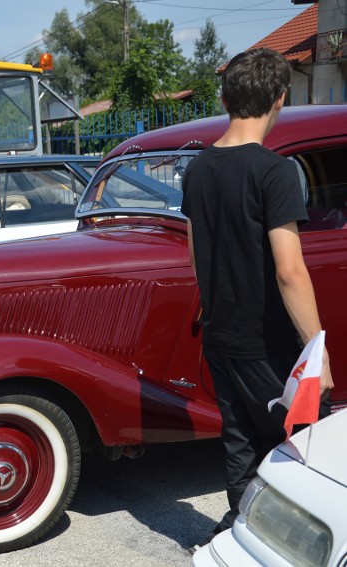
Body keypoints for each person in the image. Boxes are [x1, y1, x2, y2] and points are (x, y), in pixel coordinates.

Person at [181, 47, 334, 552]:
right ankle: (290, 546)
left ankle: (239, 528)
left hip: (220, 333)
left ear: (226, 98)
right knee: (301, 444)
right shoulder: (274, 172)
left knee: (239, 438)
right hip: (266, 339)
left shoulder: (198, 168)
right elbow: (290, 271)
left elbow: (195, 250)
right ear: (279, 99)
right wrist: (317, 349)